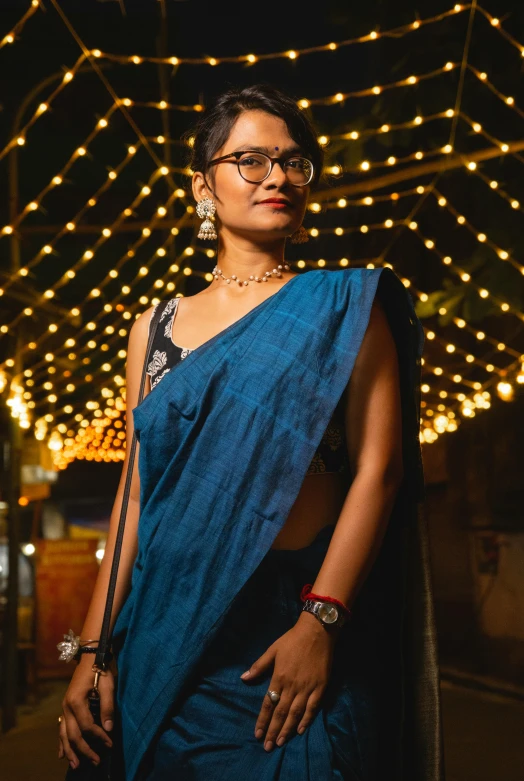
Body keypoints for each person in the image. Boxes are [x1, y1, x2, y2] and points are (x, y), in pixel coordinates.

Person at [58, 83, 445, 780]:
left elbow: (379, 472)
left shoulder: (345, 306)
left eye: (295, 162)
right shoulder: (156, 330)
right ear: (203, 185)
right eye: (252, 159)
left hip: (293, 630)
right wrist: (91, 652)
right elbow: (138, 496)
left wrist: (318, 623)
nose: (278, 176)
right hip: (168, 635)